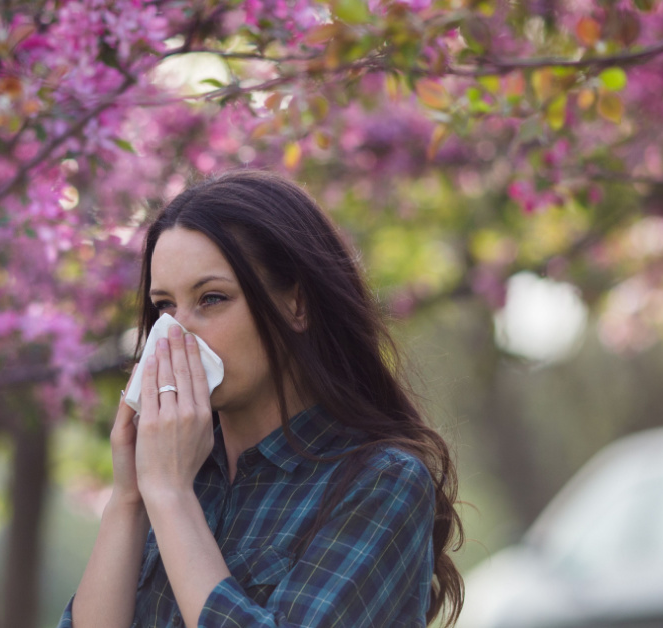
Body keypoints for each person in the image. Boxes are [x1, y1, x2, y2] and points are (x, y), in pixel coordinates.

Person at [57, 170, 464, 628]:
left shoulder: (379, 482)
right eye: (164, 306)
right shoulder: (169, 473)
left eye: (211, 299)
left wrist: (170, 498)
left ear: (297, 304)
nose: (176, 333)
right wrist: (129, 498)